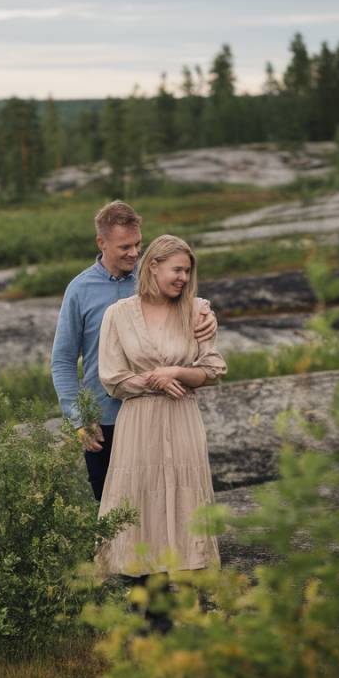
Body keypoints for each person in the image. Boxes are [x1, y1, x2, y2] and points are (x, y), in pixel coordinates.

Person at [50, 201, 217, 502]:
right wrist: (79, 419)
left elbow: (186, 300)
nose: (134, 253)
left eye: (138, 244)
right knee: (114, 514)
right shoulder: (79, 289)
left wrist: (206, 313)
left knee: (162, 507)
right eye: (124, 246)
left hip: (157, 414)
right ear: (101, 242)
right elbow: (62, 361)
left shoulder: (153, 278)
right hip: (103, 422)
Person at [96, 234, 227, 576]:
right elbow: (112, 378)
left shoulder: (198, 310)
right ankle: (148, 610)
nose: (183, 278)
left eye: (188, 272)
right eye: (177, 270)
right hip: (139, 421)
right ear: (153, 266)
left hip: (182, 417)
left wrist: (177, 372)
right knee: (139, 501)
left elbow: (212, 370)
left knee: (186, 502)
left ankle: (191, 602)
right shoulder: (118, 314)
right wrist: (154, 380)